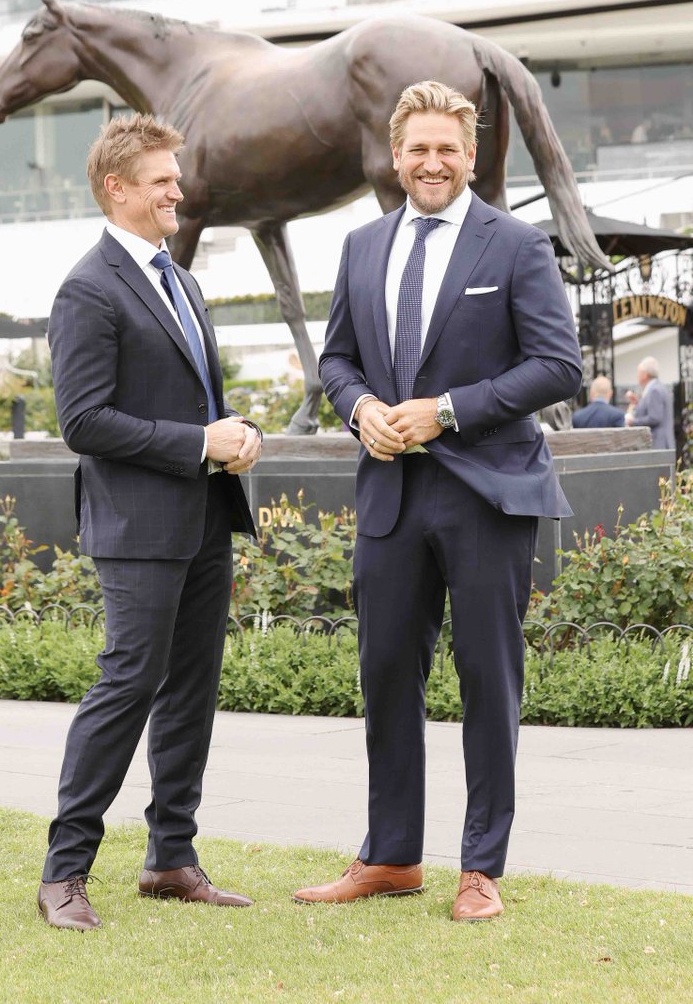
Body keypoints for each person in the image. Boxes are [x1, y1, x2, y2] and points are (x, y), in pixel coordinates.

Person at [294, 81, 581, 920]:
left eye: (447, 149)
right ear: (395, 153)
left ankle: (480, 868)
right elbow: (337, 359)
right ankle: (390, 858)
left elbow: (557, 366)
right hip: (389, 494)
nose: (432, 163)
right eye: (417, 149)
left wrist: (447, 410)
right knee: (386, 675)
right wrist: (360, 408)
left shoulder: (517, 245)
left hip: (487, 493)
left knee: (489, 680)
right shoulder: (360, 245)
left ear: (470, 155)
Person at [38, 113, 263, 931]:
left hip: (204, 516)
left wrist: (233, 435)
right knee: (127, 684)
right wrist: (197, 441)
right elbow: (83, 422)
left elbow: (193, 400)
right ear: (118, 188)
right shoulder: (88, 288)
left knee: (193, 691)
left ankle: (171, 859)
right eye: (164, 179)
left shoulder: (181, 278)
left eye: (177, 176)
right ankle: (64, 873)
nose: (179, 190)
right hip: (137, 528)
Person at [625, 356, 674, 449]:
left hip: (658, 444)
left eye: (638, 372)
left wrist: (632, 422)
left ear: (645, 374)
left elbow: (655, 418)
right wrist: (637, 403)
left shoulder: (654, 390)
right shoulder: (656, 387)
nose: (637, 375)